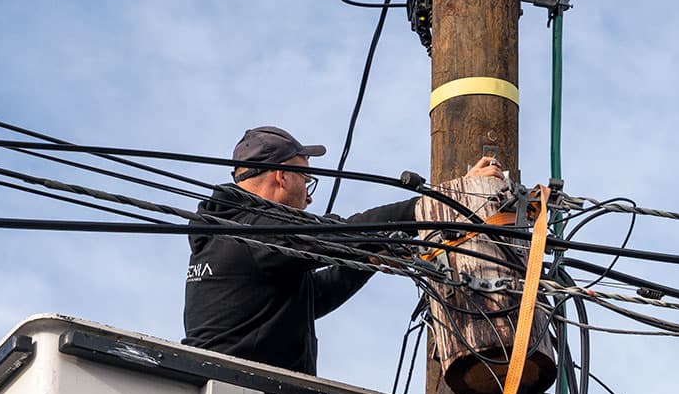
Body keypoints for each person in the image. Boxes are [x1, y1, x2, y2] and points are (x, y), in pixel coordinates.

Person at [183, 124, 499, 374]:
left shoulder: (230, 234)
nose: (309, 197)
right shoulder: (253, 229)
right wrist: (444, 202)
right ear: (283, 176)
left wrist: (372, 257)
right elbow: (340, 234)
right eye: (306, 179)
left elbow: (311, 298)